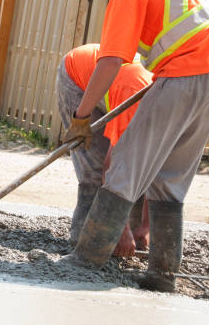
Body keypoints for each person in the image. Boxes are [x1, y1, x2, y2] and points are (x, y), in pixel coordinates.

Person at [62, 0, 209, 292]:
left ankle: (85, 259)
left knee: (126, 163)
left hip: (187, 71)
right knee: (170, 176)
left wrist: (81, 118)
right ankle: (161, 274)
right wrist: (201, 47)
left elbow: (111, 61)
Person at [57, 43, 151, 257]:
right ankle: (85, 239)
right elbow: (111, 165)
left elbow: (159, 171)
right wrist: (121, 227)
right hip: (81, 79)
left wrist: (146, 226)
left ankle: (127, 238)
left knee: (140, 170)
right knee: (94, 167)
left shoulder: (179, 116)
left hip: (119, 82)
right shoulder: (138, 104)